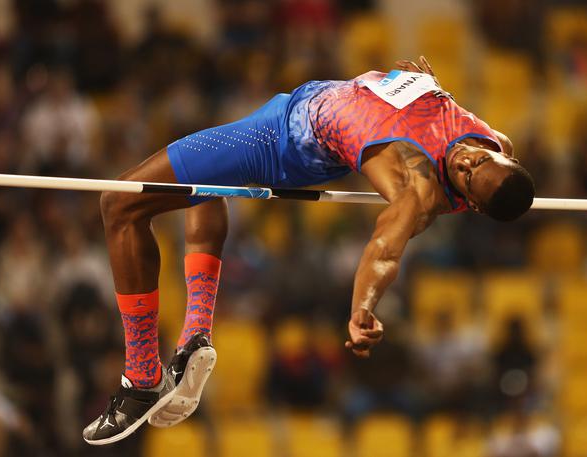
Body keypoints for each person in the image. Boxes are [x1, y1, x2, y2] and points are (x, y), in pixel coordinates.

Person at [83, 56, 535, 444]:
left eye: (470, 176)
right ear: (504, 156)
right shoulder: (492, 140)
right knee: (205, 188)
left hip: (277, 140)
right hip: (307, 104)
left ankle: (141, 376)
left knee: (120, 203)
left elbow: (383, 248)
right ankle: (195, 335)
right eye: (480, 159)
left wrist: (363, 308)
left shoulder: (416, 185)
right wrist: (428, 89)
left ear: (470, 202)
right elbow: (439, 120)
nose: (467, 161)